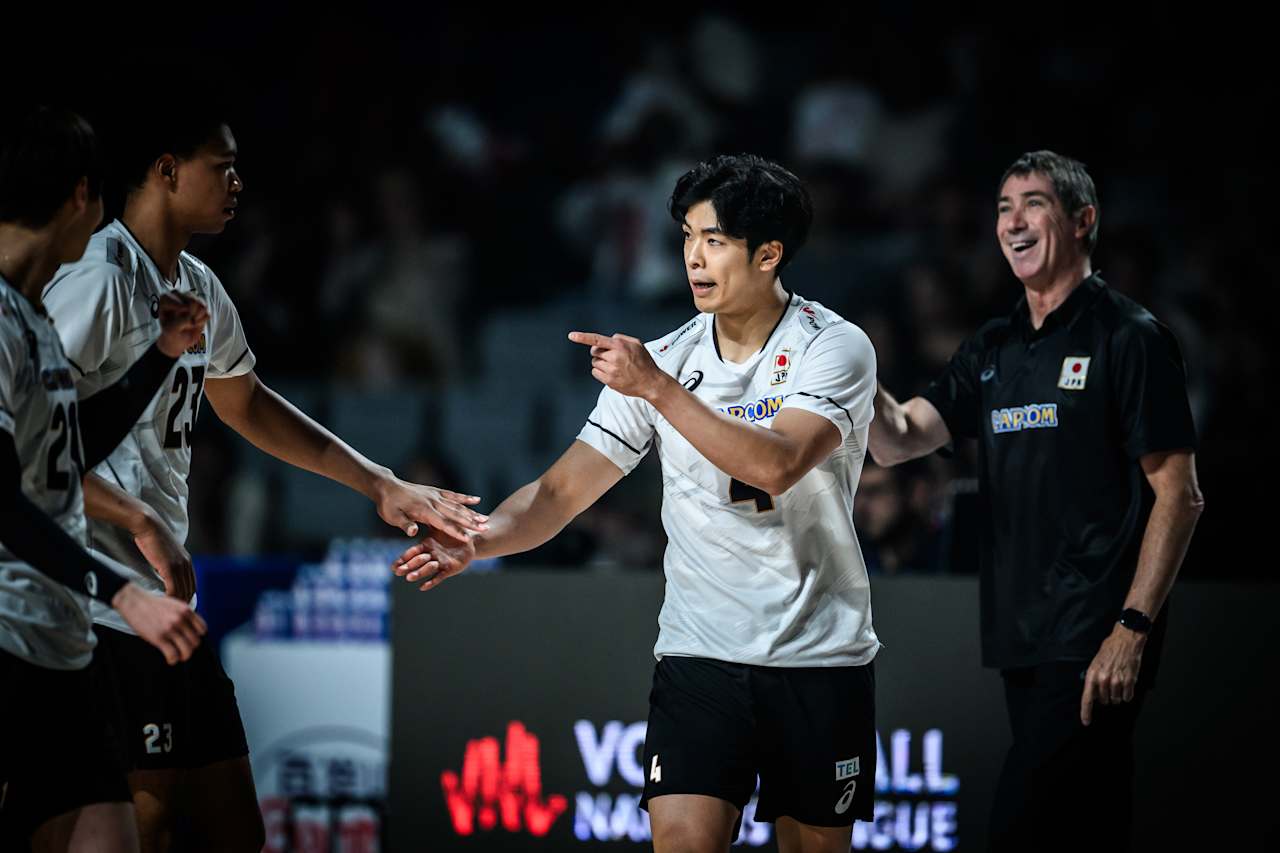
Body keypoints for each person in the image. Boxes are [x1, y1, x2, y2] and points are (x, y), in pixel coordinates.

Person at [395, 154, 879, 853]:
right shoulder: (665, 358)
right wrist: (479, 536)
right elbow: (560, 491)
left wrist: (657, 389)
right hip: (699, 652)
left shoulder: (832, 346)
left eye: (714, 240)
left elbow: (776, 464)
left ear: (769, 254)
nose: (693, 257)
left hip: (818, 653)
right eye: (687, 236)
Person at [42, 103, 489, 853]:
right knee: (139, 823)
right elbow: (34, 448)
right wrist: (138, 520)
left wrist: (379, 483)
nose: (237, 183)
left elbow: (245, 402)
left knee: (233, 827)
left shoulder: (197, 285)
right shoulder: (98, 280)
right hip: (98, 603)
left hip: (165, 603)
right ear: (166, 171)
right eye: (222, 167)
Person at [866, 150, 1204, 852]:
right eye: (1003, 207)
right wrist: (849, 366)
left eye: (1034, 204)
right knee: (1086, 828)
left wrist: (1132, 628)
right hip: (1021, 632)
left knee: (1021, 827)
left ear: (1083, 221)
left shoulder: (1129, 337)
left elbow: (1181, 494)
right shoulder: (994, 345)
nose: (1013, 222)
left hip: (1094, 633)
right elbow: (898, 440)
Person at [0, 107, 210, 853]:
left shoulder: (29, 314)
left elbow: (65, 449)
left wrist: (159, 356)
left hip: (57, 642)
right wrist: (122, 592)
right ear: (82, 196)